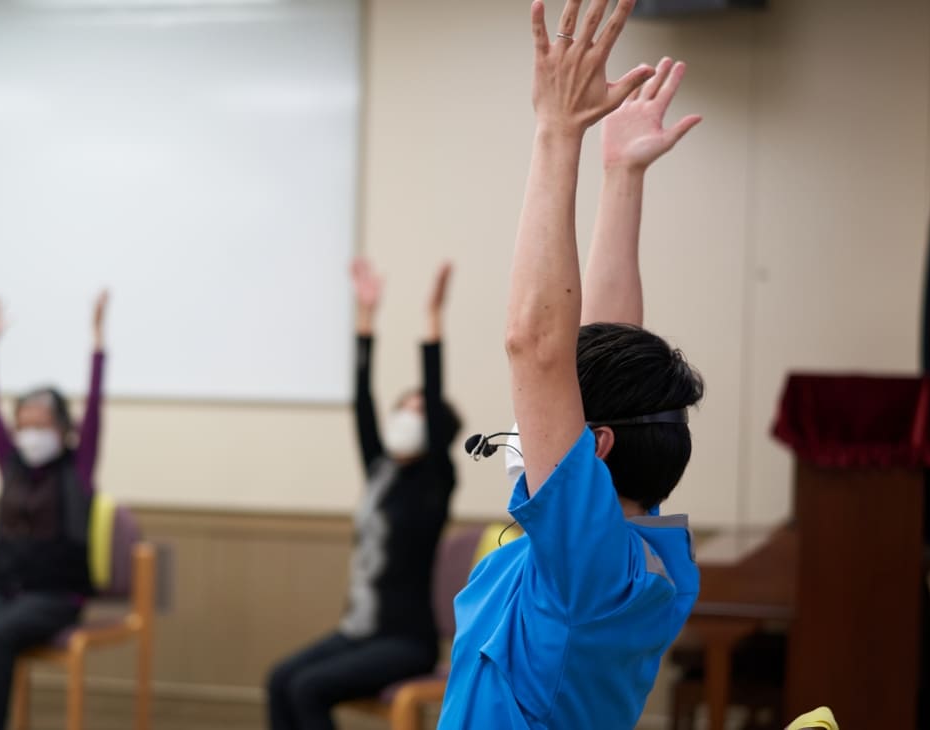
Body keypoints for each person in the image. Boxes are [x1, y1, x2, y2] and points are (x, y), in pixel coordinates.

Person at [437, 1, 705, 727]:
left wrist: (559, 134)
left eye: (553, 416)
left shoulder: (588, 571)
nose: (528, 421)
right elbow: (600, 344)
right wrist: (621, 177)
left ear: (596, 447)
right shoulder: (637, 559)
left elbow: (537, 342)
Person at [267, 260, 462, 730]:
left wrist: (432, 320)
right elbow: (361, 400)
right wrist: (366, 318)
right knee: (280, 680)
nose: (406, 417)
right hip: (357, 632)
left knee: (308, 689)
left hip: (404, 642)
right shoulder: (380, 471)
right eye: (403, 407)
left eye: (418, 411)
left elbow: (434, 402)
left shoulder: (436, 479)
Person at [0, 292, 109, 730]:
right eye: (24, 424)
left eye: (41, 425)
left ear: (61, 428)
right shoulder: (11, 463)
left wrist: (97, 343)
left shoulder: (78, 468)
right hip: (4, 591)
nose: (31, 434)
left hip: (55, 597)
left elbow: (95, 409)